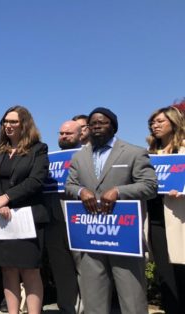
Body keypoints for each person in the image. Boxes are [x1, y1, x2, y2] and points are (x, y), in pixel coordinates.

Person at [65, 107, 157, 314]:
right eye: (92, 124)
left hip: (124, 238)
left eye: (102, 122)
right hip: (91, 238)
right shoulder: (79, 157)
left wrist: (119, 191)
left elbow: (150, 186)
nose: (96, 126)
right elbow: (69, 186)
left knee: (131, 297)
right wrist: (80, 191)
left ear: (114, 127)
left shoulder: (133, 152)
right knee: (93, 298)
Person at [0, 105, 49, 314]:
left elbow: (36, 180)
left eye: (13, 122)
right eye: (5, 122)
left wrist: (6, 198)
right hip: (1, 218)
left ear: (24, 124)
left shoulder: (39, 149)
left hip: (27, 216)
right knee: (8, 269)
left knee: (30, 271)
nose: (8, 125)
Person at [146, 106, 185, 313]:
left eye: (160, 121)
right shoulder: (149, 155)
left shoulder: (184, 150)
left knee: (182, 272)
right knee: (166, 276)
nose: (155, 125)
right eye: (153, 122)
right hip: (155, 220)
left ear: (174, 122)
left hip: (180, 219)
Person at [43, 120, 83, 314]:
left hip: (80, 216)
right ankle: (68, 307)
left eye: (68, 133)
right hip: (53, 217)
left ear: (81, 134)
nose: (64, 136)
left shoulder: (89, 155)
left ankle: (88, 308)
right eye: (61, 133)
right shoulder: (49, 157)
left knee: (85, 266)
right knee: (61, 266)